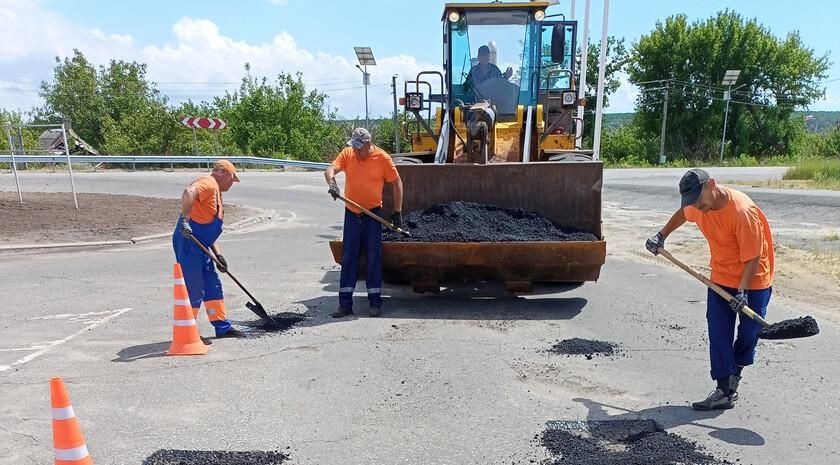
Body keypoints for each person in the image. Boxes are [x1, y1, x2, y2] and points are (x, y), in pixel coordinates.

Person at [646, 168, 774, 411]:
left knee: (749, 332)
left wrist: (742, 292)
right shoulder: (698, 205)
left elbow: (753, 257)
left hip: (754, 279)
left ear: (711, 185)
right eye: (692, 202)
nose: (698, 206)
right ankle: (724, 389)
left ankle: (736, 370)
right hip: (721, 278)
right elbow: (684, 214)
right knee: (718, 332)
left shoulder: (742, 211)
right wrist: (661, 235)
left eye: (699, 200)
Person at [325, 128, 404, 318]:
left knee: (373, 257)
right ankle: (345, 304)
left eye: (360, 148)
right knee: (349, 258)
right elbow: (330, 170)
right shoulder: (349, 154)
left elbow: (397, 182)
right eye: (355, 147)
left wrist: (397, 212)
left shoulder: (382, 158)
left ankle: (375, 302)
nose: (357, 151)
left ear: (368, 144)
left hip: (372, 215)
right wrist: (333, 184)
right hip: (352, 214)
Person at [173, 160, 245, 340]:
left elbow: (211, 231)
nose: (231, 184)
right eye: (232, 179)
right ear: (226, 174)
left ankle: (222, 327)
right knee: (194, 288)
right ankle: (188, 333)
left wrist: (218, 255)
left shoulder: (217, 193)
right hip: (189, 241)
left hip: (202, 244)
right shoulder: (208, 183)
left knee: (212, 285)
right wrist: (185, 221)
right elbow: (189, 192)